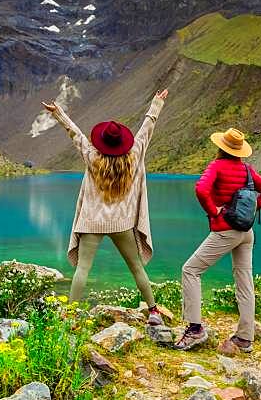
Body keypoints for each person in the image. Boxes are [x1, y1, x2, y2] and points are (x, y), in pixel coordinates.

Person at [43, 89, 169, 325]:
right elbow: (146, 130)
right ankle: (153, 312)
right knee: (136, 267)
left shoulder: (92, 157)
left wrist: (58, 113)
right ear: (122, 142)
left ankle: (70, 317)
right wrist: (156, 104)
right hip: (122, 224)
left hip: (92, 222)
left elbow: (76, 134)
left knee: (82, 269)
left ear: (102, 142)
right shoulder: (133, 156)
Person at [174, 127, 261, 353]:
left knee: (190, 270)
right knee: (244, 281)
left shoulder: (217, 166)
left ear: (221, 147)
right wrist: (249, 212)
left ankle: (195, 329)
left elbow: (201, 189)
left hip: (225, 231)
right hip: (246, 233)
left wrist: (214, 211)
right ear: (240, 151)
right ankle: (244, 338)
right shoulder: (247, 171)